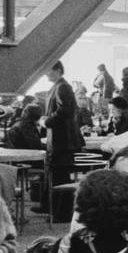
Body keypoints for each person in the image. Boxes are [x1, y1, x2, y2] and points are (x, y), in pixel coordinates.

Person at [42, 60, 85, 199]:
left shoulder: (62, 87)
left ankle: (59, 210)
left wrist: (47, 121)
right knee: (57, 174)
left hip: (61, 139)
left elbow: (64, 110)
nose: (46, 74)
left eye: (49, 70)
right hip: (60, 138)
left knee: (59, 175)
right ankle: (52, 207)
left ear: (58, 70)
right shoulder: (60, 86)